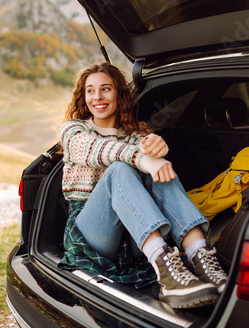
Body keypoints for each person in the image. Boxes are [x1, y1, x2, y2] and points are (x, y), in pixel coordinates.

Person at [57, 62, 227, 309]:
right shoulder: (74, 129)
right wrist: (142, 158)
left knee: (160, 172)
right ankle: (167, 273)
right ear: (83, 97)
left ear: (119, 93)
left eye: (106, 89)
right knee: (120, 169)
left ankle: (201, 256)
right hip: (93, 233)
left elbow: (148, 156)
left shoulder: (137, 135)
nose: (97, 97)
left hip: (136, 241)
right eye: (90, 91)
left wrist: (157, 151)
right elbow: (98, 150)